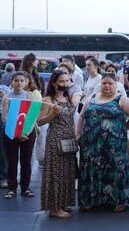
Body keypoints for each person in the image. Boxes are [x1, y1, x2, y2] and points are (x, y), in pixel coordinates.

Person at [77, 73, 129, 211]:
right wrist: (77, 133)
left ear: (116, 85)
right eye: (104, 83)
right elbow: (81, 116)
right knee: (90, 169)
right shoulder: (91, 98)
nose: (106, 86)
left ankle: (119, 200)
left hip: (114, 145)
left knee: (116, 169)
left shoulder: (122, 99)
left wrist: (122, 129)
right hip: (90, 144)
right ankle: (91, 199)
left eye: (110, 83)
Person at [37, 70, 81, 218]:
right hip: (55, 139)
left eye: (67, 81)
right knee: (56, 173)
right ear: (54, 82)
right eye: (62, 81)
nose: (65, 84)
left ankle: (63, 202)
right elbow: (39, 121)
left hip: (68, 139)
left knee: (67, 172)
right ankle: (54, 208)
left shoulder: (67, 99)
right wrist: (52, 114)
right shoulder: (47, 99)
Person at [2, 71, 37, 199]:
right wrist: (16, 133)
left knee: (26, 161)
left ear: (26, 82)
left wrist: (26, 132)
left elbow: (32, 116)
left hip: (27, 133)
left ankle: (25, 187)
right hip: (11, 133)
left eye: (22, 80)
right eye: (16, 80)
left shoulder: (29, 96)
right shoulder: (7, 97)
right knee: (11, 161)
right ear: (12, 82)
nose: (19, 83)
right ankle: (12, 188)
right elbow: (5, 118)